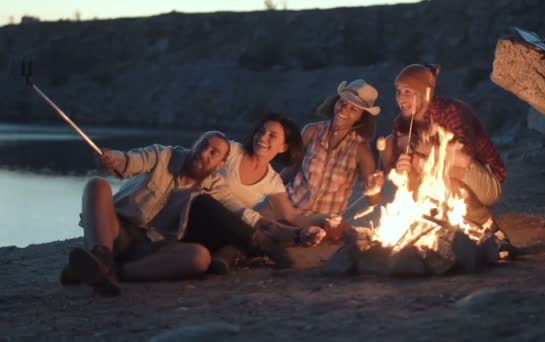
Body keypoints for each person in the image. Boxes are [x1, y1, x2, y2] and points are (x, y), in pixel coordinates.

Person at [60, 131, 324, 296]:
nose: (203, 154)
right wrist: (113, 158)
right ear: (194, 145)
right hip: (116, 226)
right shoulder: (164, 156)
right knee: (97, 185)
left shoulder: (215, 186)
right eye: (202, 146)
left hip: (150, 245)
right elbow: (129, 161)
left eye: (213, 153)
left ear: (221, 164)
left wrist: (297, 233)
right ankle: (101, 255)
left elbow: (247, 216)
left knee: (199, 257)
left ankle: (112, 272)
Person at [380, 64, 507, 232]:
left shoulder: (451, 110)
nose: (401, 99)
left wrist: (416, 146)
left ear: (425, 93)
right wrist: (402, 166)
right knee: (397, 149)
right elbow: (401, 172)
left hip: (487, 182)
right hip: (442, 180)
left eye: (408, 92)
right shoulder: (402, 122)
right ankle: (429, 227)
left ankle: (491, 229)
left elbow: (464, 159)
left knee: (439, 171)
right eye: (399, 92)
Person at [279, 79, 384, 240]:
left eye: (353, 109)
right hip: (289, 209)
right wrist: (267, 190)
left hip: (324, 223)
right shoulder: (311, 131)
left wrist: (375, 188)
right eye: (342, 102)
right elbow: (290, 170)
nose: (344, 109)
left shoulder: (361, 151)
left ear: (361, 117)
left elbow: (372, 200)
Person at [220, 113, 326, 227]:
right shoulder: (230, 150)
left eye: (272, 136)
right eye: (261, 131)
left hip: (224, 227)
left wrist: (325, 219)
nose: (262, 137)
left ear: (283, 147)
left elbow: (292, 217)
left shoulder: (273, 182)